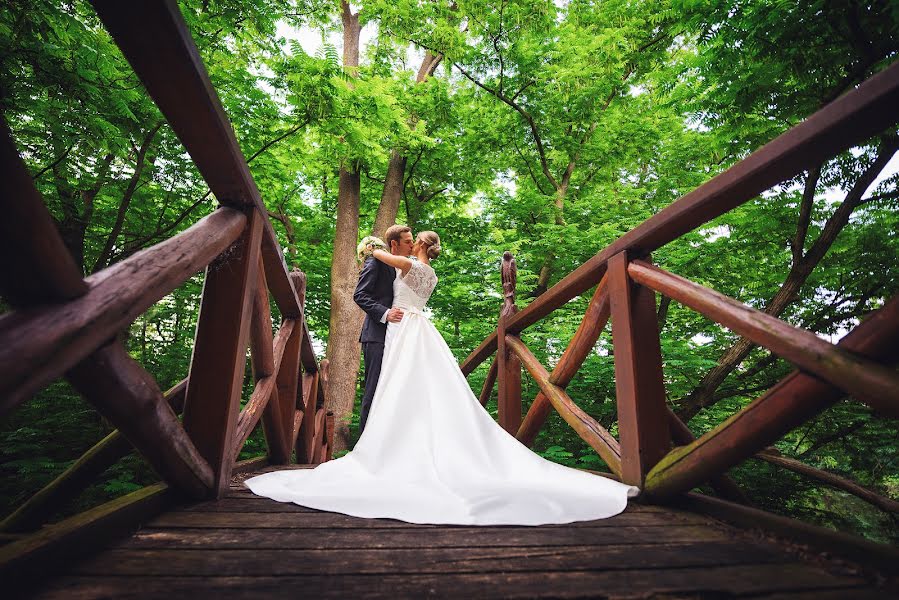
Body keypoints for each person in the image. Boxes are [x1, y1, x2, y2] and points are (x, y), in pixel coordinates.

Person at [244, 230, 639, 525]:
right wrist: (379, 268)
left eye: (415, 238)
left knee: (398, 389)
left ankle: (385, 452)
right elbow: (377, 285)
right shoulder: (428, 273)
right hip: (409, 327)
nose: (412, 239)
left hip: (404, 327)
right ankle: (395, 444)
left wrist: (370, 246)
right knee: (412, 391)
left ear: (418, 247)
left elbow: (379, 259)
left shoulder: (410, 265)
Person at [352, 224, 413, 434]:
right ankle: (362, 449)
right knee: (373, 390)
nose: (412, 245)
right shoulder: (375, 262)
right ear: (394, 244)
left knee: (394, 391)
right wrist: (386, 314)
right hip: (376, 336)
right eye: (408, 241)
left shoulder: (405, 267)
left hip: (399, 336)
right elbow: (360, 295)